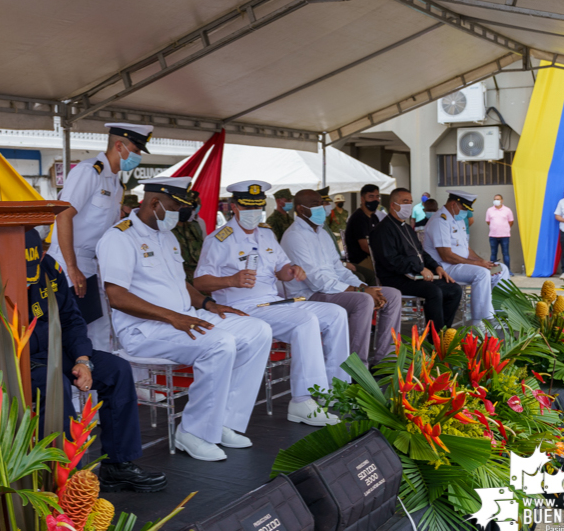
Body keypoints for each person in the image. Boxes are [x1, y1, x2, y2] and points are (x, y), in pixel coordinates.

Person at [96, 177, 271, 462]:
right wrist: (172, 317)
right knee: (220, 343)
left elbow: (180, 285)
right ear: (154, 203)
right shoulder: (120, 237)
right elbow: (116, 296)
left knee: (258, 330)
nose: (179, 214)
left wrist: (209, 304)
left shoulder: (166, 235)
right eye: (174, 206)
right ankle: (193, 432)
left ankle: (224, 421)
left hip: (185, 318)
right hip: (145, 330)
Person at [194, 180, 347, 427]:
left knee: (336, 314)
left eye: (258, 207)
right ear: (234, 207)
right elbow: (199, 282)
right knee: (305, 321)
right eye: (247, 207)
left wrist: (291, 270)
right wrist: (230, 279)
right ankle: (302, 399)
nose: (254, 213)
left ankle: (335, 389)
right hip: (242, 307)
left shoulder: (266, 233)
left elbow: (281, 268)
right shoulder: (219, 239)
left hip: (274, 302)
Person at [24, 229, 165, 492]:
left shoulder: (50, 269)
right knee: (56, 386)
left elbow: (71, 319)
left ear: (42, 252)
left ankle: (118, 465)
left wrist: (82, 359)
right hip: (24, 361)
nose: (28, 281)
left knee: (118, 371)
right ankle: (67, 481)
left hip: (60, 352)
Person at [48, 122, 152, 352]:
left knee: (98, 331)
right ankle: (75, 387)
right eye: (135, 151)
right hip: (69, 262)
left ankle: (94, 386)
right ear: (119, 146)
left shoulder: (115, 181)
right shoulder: (89, 171)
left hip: (93, 264)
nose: (137, 157)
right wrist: (72, 267)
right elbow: (63, 215)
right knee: (73, 330)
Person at [281, 189, 402, 367]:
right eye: (315, 205)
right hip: (309, 294)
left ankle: (385, 360)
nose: (321, 208)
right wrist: (361, 291)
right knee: (363, 301)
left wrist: (362, 286)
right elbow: (315, 280)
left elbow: (338, 268)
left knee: (392, 295)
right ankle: (356, 367)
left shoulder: (321, 233)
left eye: (321, 204)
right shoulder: (294, 236)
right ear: (300, 209)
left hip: (333, 289)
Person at [368, 188, 463, 332]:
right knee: (434, 291)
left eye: (410, 202)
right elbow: (391, 260)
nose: (408, 205)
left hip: (414, 274)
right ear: (393, 205)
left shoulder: (406, 227)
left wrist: (436, 267)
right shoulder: (382, 230)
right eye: (404, 202)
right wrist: (419, 268)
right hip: (395, 278)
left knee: (454, 289)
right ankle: (434, 340)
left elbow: (421, 253)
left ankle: (444, 332)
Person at [423, 191, 510, 329]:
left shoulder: (458, 221)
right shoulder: (440, 221)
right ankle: (481, 321)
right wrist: (478, 265)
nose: (465, 212)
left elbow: (467, 250)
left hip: (461, 265)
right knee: (481, 273)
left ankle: (498, 314)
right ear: (453, 204)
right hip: (445, 267)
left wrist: (484, 263)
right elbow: (446, 255)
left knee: (501, 269)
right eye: (463, 209)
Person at [344, 184, 382, 285]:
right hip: (361, 260)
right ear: (362, 199)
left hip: (373, 257)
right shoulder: (358, 218)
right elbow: (365, 246)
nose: (375, 200)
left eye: (377, 196)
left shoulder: (374, 217)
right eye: (371, 196)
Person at [172, 189, 204, 285]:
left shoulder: (194, 227)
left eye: (189, 205)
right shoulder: (167, 230)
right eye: (183, 205)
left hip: (198, 282)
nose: (186, 208)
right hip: (179, 282)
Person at [485, 194, 514, 272]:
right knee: (493, 254)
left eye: (498, 199)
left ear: (502, 200)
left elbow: (511, 221)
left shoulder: (507, 210)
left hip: (505, 235)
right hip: (493, 235)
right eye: (495, 199)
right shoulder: (489, 210)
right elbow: (488, 221)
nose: (496, 201)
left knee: (505, 253)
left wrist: (504, 228)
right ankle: (493, 271)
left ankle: (508, 271)